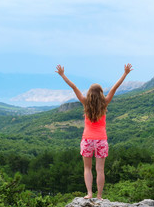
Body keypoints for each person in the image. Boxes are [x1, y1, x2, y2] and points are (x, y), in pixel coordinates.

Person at [55, 64, 133, 200]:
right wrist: (125, 73)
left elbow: (74, 87)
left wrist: (62, 75)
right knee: (100, 170)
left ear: (90, 94)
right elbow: (115, 87)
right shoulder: (105, 103)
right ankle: (100, 196)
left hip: (87, 140)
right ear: (101, 93)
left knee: (87, 168)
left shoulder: (85, 103)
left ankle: (89, 193)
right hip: (101, 140)